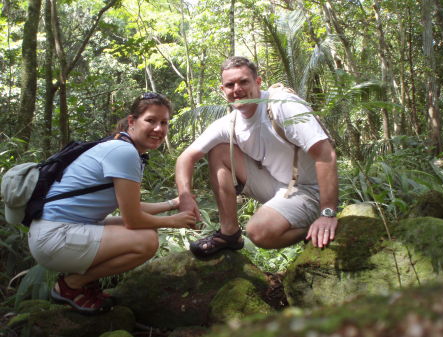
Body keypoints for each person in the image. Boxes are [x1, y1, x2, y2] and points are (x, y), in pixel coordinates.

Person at [28, 92, 196, 314]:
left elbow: (130, 206)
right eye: (151, 120)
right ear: (131, 121)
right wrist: (175, 221)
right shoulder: (124, 152)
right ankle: (72, 285)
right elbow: (133, 219)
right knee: (146, 240)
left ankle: (81, 283)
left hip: (51, 232)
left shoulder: (119, 146)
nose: (158, 129)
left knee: (134, 227)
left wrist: (172, 204)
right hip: (55, 237)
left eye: (164, 122)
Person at [175, 56, 338, 258]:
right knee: (219, 151)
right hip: (279, 185)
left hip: (311, 190)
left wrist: (327, 213)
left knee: (259, 232)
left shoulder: (282, 106)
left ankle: (316, 226)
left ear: (258, 82)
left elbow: (325, 152)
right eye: (230, 84)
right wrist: (185, 196)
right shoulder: (230, 123)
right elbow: (186, 158)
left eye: (243, 81)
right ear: (222, 90)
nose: (237, 89)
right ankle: (229, 234)